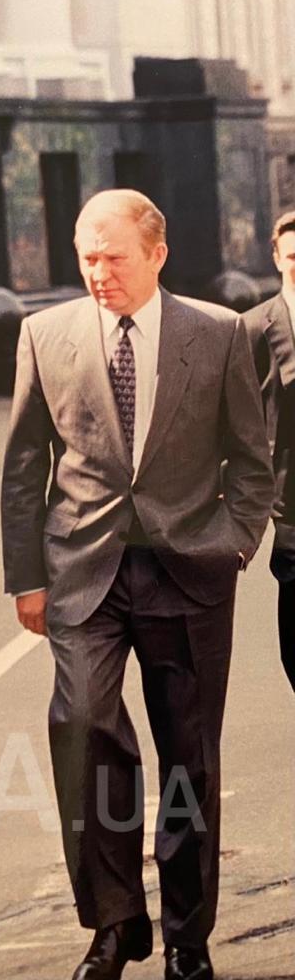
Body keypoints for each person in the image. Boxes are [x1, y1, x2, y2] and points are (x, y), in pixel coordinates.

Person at [0, 189, 273, 980]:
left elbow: (252, 461)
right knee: (84, 728)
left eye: (113, 257)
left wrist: (231, 544)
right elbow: (24, 465)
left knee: (190, 757)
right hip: (82, 571)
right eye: (87, 257)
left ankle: (189, 937)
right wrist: (26, 577)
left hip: (188, 571)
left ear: (157, 255)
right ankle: (115, 924)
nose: (98, 273)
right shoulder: (45, 334)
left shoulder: (217, 334)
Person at [243, 210, 295, 692]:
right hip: (290, 504)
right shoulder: (255, 328)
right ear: (277, 258)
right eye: (293, 255)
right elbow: (237, 417)